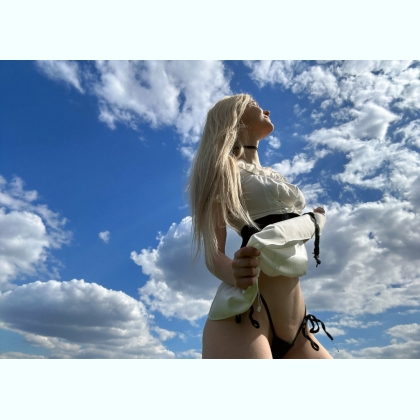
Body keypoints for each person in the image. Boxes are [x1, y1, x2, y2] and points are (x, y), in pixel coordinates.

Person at [188, 93, 333, 359]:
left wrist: (312, 223)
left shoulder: (275, 175)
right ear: (234, 116)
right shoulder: (224, 169)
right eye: (254, 105)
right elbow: (213, 254)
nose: (266, 110)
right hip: (244, 316)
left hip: (297, 326)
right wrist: (234, 273)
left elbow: (279, 240)